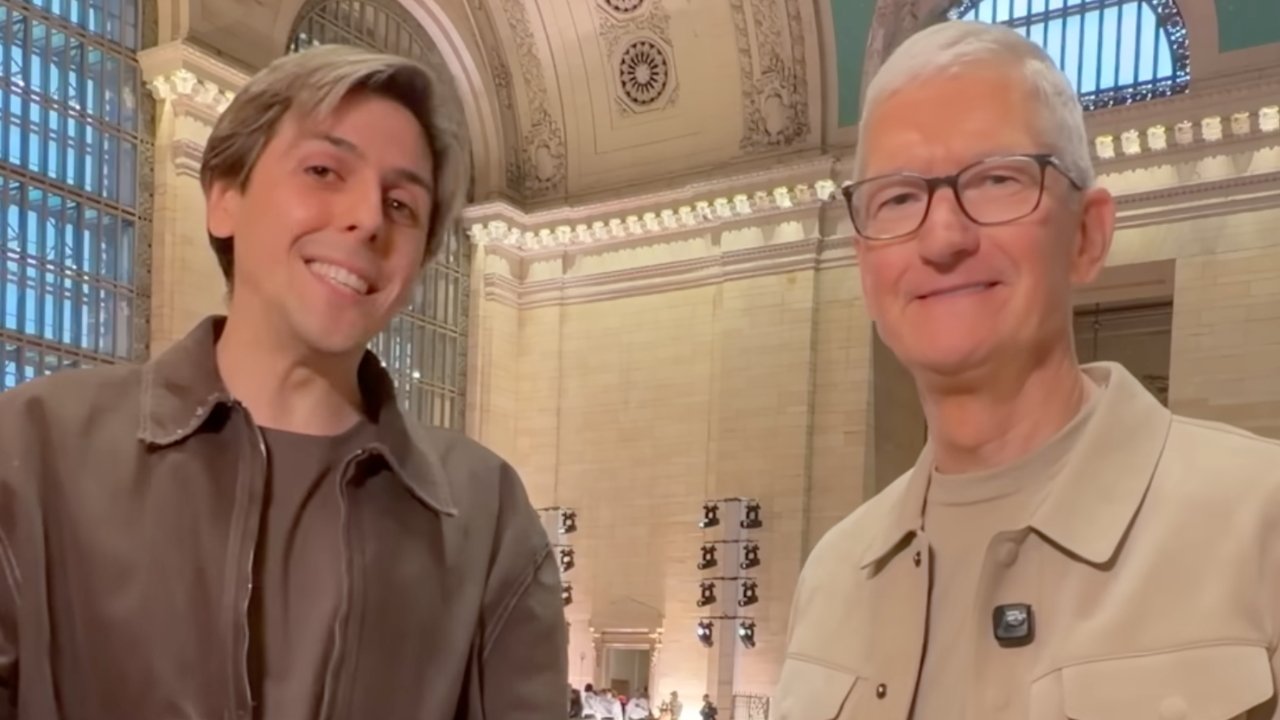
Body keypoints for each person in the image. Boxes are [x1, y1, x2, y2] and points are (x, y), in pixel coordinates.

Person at [0, 44, 567, 718]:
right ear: (225, 199)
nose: (368, 218)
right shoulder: (35, 453)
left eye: (403, 205)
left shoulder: (487, 520)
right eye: (325, 169)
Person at [774, 20, 1280, 720]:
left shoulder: (1261, 522)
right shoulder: (832, 573)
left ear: (1087, 235)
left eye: (997, 180)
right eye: (897, 197)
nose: (944, 237)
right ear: (866, 265)